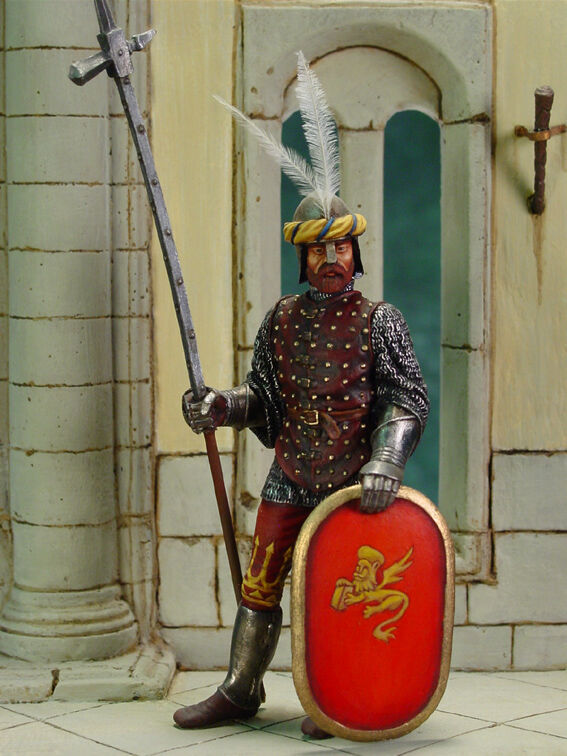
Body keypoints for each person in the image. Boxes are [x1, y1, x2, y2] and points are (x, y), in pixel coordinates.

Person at [173, 191, 429, 737]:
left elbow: (405, 399)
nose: (330, 259)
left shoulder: (381, 320)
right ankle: (241, 688)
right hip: (290, 473)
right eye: (318, 250)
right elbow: (264, 396)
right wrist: (221, 405)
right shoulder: (281, 319)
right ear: (302, 258)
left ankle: (335, 697)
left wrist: (387, 458)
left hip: (352, 483)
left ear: (355, 253)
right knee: (259, 585)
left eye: (340, 247)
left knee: (340, 594)